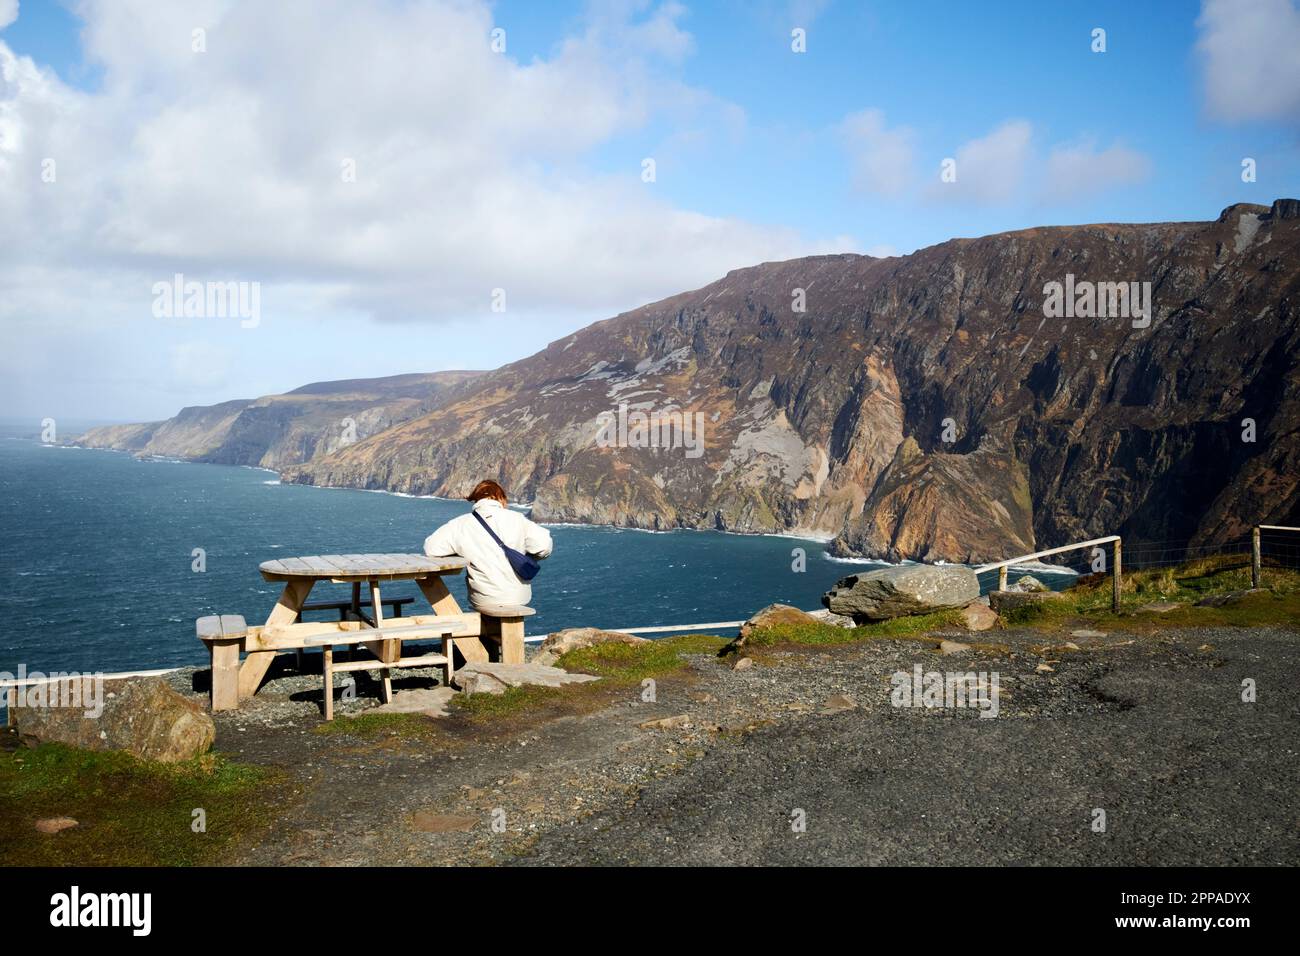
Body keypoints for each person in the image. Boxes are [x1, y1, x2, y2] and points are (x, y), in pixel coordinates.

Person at [422, 479, 553, 610]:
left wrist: (461, 550)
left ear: (476, 500)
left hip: (483, 598)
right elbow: (544, 546)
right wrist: (526, 555)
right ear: (500, 498)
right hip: (519, 597)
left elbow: (431, 548)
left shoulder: (461, 524)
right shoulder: (518, 518)